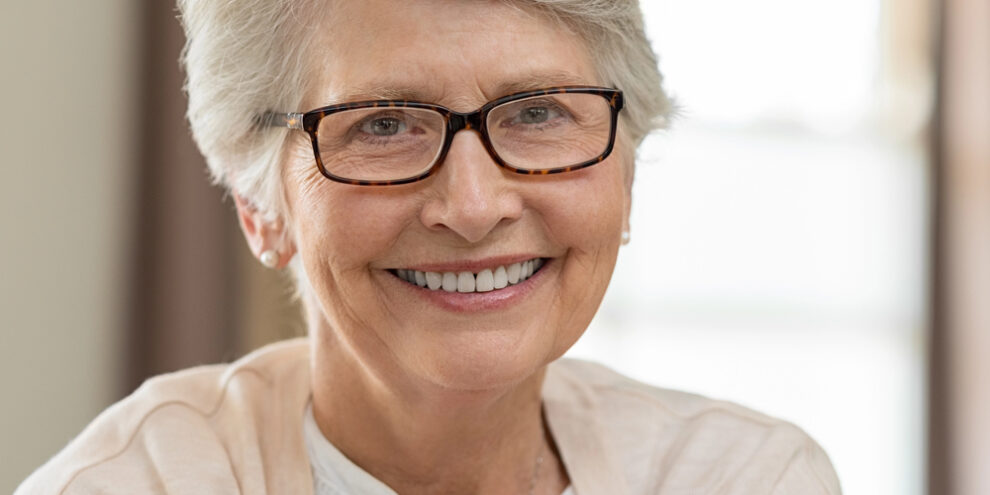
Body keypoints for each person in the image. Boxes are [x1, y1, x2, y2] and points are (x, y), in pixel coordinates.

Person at [18, 0, 842, 493]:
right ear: (259, 207)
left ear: (624, 171)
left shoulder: (741, 477)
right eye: (383, 124)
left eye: (538, 112)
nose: (475, 206)